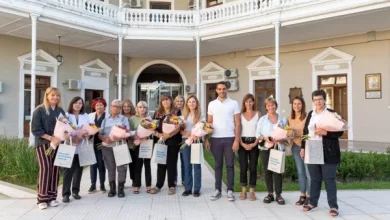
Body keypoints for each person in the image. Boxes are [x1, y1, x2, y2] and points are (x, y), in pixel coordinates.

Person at [302, 90, 343, 217]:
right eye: (315, 99)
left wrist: (327, 133)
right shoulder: (311, 114)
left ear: (324, 99)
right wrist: (303, 147)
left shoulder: (332, 113)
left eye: (320, 99)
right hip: (312, 148)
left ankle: (333, 206)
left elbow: (340, 131)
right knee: (315, 178)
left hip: (328, 150)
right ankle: (313, 203)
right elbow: (305, 131)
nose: (318, 102)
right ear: (313, 101)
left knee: (329, 179)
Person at [205, 81, 240, 202]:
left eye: (224, 89)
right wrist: (207, 139)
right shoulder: (211, 104)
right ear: (216, 90)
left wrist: (236, 140)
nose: (221, 91)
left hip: (230, 138)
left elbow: (238, 123)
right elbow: (209, 123)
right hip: (215, 138)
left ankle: (230, 190)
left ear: (227, 90)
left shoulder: (234, 103)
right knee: (218, 165)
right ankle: (217, 190)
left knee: (230, 165)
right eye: (219, 89)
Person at [31, 87, 65, 210]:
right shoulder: (39, 110)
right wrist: (51, 138)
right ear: (47, 96)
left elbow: (65, 126)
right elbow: (35, 130)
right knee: (45, 169)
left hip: (58, 144)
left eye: (57, 95)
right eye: (53, 95)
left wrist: (65, 135)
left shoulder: (60, 111)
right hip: (43, 144)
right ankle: (42, 198)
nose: (55, 97)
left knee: (55, 169)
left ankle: (52, 197)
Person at [256, 97, 287, 205]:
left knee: (278, 171)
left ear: (276, 106)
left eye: (272, 105)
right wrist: (265, 138)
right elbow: (257, 135)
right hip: (266, 148)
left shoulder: (282, 119)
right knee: (267, 171)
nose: (271, 107)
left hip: (278, 147)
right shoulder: (262, 120)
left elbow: (287, 134)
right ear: (266, 107)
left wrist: (281, 138)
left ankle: (278, 194)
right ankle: (270, 194)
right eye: (268, 105)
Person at [150, 95, 182, 195]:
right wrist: (159, 134)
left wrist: (168, 135)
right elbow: (152, 127)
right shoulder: (157, 113)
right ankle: (158, 185)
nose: (165, 102)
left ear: (171, 101)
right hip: (161, 141)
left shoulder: (176, 112)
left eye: (167, 100)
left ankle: (171, 185)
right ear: (161, 102)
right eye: (163, 100)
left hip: (173, 141)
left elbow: (179, 127)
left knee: (171, 164)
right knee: (161, 163)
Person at [98, 99, 130, 198]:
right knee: (110, 168)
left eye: (118, 107)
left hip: (120, 146)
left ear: (121, 109)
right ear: (110, 107)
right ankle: (112, 189)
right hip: (107, 148)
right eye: (114, 106)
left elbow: (127, 133)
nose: (116, 108)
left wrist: (117, 137)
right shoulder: (105, 119)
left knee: (121, 168)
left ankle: (120, 188)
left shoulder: (124, 119)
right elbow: (100, 134)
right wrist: (104, 138)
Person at [62, 96, 90, 203]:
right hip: (69, 146)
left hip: (81, 146)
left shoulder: (86, 116)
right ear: (72, 104)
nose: (78, 105)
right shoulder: (66, 115)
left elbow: (89, 129)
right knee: (68, 171)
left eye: (80, 103)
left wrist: (86, 135)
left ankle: (76, 191)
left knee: (79, 170)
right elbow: (63, 130)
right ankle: (66, 194)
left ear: (82, 105)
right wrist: (71, 136)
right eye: (76, 102)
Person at [288, 96, 310, 206]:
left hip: (306, 147)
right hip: (295, 147)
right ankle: (302, 195)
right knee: (300, 172)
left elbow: (307, 134)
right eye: (295, 104)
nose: (297, 106)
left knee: (308, 172)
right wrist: (290, 134)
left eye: (299, 104)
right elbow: (287, 133)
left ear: (303, 105)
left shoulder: (307, 118)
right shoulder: (289, 118)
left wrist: (304, 147)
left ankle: (309, 196)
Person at [239, 94, 261, 201]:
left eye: (251, 101)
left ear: (253, 102)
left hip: (254, 142)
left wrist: (255, 143)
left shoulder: (258, 114)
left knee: (253, 167)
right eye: (247, 101)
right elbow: (237, 130)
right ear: (244, 103)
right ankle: (243, 190)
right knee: (243, 167)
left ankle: (252, 191)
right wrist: (242, 143)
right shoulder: (240, 115)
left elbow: (260, 130)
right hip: (242, 142)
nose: (249, 103)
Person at [180, 95, 203, 197]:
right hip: (186, 142)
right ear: (187, 104)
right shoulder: (183, 115)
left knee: (196, 165)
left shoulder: (201, 115)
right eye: (189, 102)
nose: (191, 104)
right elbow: (179, 129)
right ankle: (188, 188)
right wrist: (185, 133)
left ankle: (196, 189)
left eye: (193, 102)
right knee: (187, 165)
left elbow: (205, 128)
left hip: (196, 141)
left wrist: (196, 135)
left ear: (196, 103)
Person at [130, 101, 152, 194]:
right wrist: (135, 136)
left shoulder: (149, 118)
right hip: (137, 143)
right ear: (137, 108)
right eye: (140, 107)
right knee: (137, 165)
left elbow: (152, 130)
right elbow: (130, 131)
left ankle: (148, 185)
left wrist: (147, 135)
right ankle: (136, 185)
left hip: (147, 143)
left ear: (146, 109)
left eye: (144, 107)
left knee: (147, 164)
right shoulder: (132, 118)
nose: (142, 109)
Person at [88, 97, 107, 194]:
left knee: (101, 164)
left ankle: (102, 184)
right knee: (93, 164)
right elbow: (87, 127)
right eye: (97, 105)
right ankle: (93, 185)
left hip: (102, 143)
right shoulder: (90, 116)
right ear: (94, 106)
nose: (99, 107)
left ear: (104, 106)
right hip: (92, 142)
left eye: (101, 105)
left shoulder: (107, 116)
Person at [122, 99, 137, 187]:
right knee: (122, 163)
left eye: (128, 106)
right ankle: (122, 181)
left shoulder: (134, 116)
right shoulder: (120, 117)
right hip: (122, 143)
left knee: (132, 163)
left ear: (131, 107)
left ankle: (134, 180)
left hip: (132, 143)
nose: (126, 108)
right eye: (124, 106)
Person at [174, 94, 185, 186]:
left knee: (184, 160)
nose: (179, 103)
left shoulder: (186, 112)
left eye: (181, 101)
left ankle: (184, 179)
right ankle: (174, 179)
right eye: (177, 101)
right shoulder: (173, 113)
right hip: (174, 138)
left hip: (184, 139)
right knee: (174, 160)